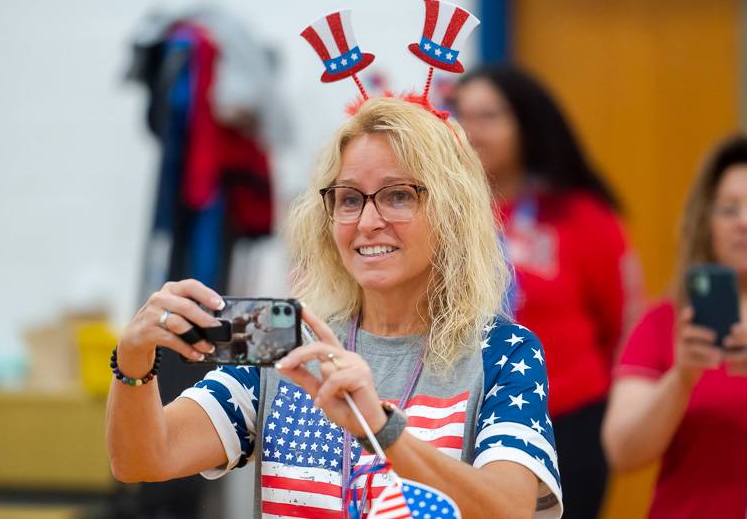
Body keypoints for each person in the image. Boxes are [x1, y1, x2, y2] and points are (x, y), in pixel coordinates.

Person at [106, 97, 563, 518]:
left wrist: (382, 429)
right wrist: (133, 361)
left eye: (398, 195)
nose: (367, 222)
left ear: (451, 212)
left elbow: (510, 509)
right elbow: (145, 458)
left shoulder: (502, 350)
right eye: (348, 199)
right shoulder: (280, 333)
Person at [452, 64, 642, 518]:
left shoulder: (583, 216)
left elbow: (623, 322)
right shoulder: (441, 215)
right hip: (464, 418)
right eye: (460, 114)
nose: (469, 130)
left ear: (527, 126)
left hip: (568, 419)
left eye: (488, 116)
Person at [602, 135, 747, 518]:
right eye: (729, 209)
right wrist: (682, 378)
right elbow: (623, 450)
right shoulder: (665, 322)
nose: (743, 222)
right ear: (706, 222)